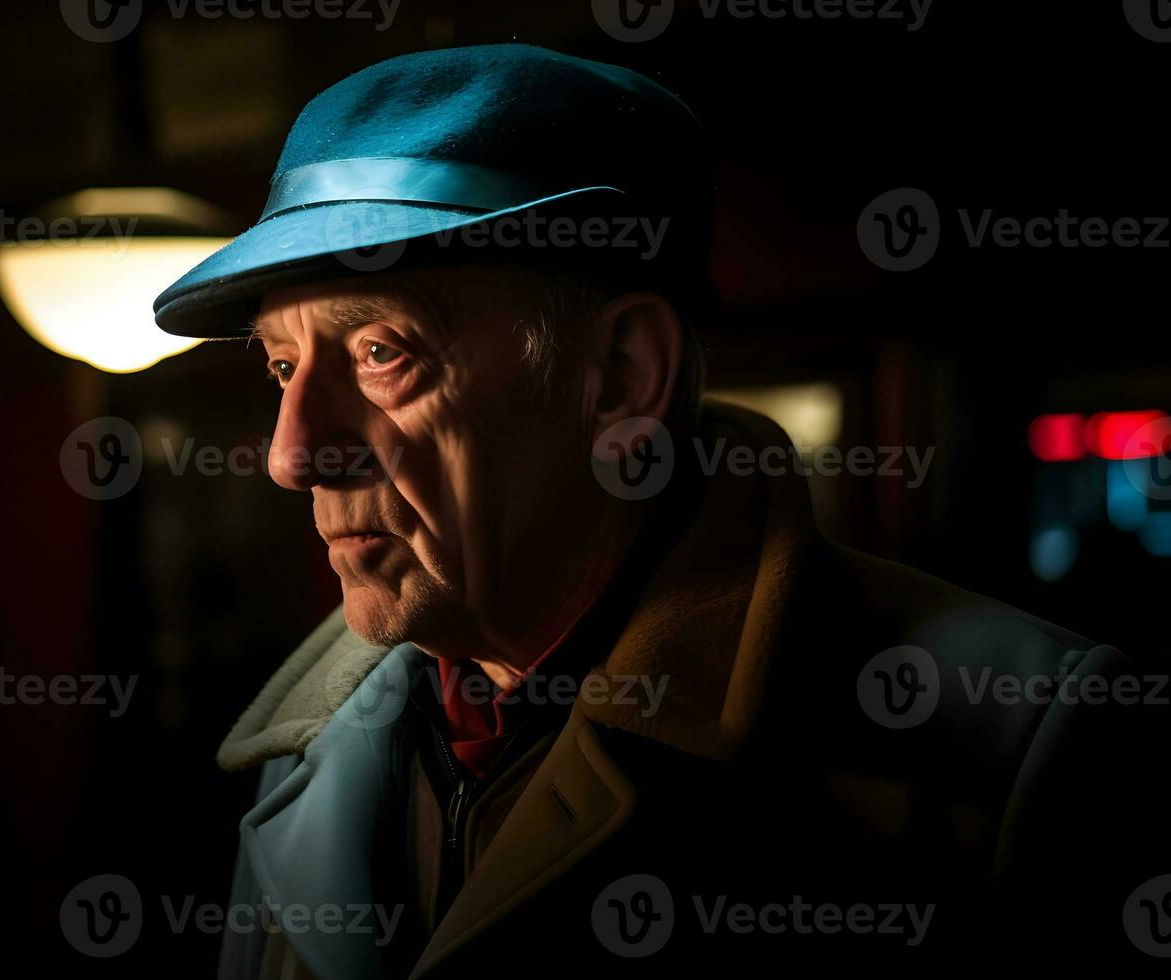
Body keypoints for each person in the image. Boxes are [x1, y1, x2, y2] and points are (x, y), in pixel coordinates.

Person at [152, 43, 1166, 979]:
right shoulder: (304, 753)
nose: (293, 455)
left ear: (623, 374)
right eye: (283, 367)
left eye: (382, 352)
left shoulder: (1012, 740)